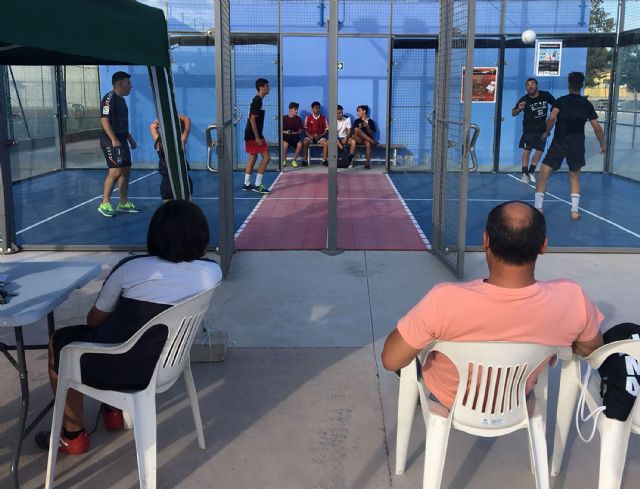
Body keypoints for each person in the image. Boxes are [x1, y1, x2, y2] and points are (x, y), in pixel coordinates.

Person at [35, 200, 222, 454]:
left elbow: (94, 320)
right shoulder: (212, 272)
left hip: (120, 367)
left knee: (62, 341)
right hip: (165, 366)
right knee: (119, 328)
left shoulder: (131, 269)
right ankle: (111, 411)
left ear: (155, 235)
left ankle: (73, 435)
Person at [381, 201, 604, 409]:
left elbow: (391, 359)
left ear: (485, 240)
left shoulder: (444, 299)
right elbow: (592, 350)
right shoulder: (572, 298)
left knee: (413, 349)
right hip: (515, 401)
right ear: (543, 246)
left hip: (450, 399)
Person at [535, 72, 606, 220]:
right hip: (577, 143)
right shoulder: (587, 104)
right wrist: (603, 143)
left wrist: (546, 132)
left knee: (543, 173)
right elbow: (597, 127)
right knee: (574, 176)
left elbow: (552, 117)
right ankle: (574, 211)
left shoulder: (560, 101)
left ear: (569, 84)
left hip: (560, 141)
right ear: (582, 85)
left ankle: (538, 208)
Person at [98, 71, 139, 217]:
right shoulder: (109, 98)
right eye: (129, 83)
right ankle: (104, 204)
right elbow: (104, 120)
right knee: (115, 171)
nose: (131, 86)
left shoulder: (121, 100)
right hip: (110, 141)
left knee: (126, 170)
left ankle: (123, 203)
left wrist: (129, 138)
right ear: (120, 83)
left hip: (122, 140)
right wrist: (113, 139)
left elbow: (121, 123)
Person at [512, 78, 556, 184]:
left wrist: (552, 114)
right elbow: (513, 113)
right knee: (527, 151)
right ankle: (524, 173)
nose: (530, 86)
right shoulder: (524, 99)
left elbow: (556, 105)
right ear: (526, 88)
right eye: (527, 85)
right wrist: (519, 108)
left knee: (539, 151)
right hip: (529, 130)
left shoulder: (545, 95)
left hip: (542, 129)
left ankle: (531, 172)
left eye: (532, 84)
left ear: (537, 86)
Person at [150, 114, 192, 201]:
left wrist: (161, 119)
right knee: (186, 210)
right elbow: (187, 123)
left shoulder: (159, 143)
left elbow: (152, 127)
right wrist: (180, 116)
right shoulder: (180, 142)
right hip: (182, 181)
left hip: (167, 183)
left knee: (169, 211)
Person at [242, 78, 271, 194]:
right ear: (262, 87)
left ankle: (247, 183)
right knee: (266, 157)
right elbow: (252, 118)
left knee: (253, 157)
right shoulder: (257, 100)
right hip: (254, 135)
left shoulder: (258, 100)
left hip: (250, 134)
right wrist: (257, 137)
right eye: (267, 86)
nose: (269, 88)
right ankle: (258, 185)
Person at [301, 101, 328, 166]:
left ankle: (324, 160)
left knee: (325, 143)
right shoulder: (308, 117)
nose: (317, 109)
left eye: (318, 108)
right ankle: (304, 160)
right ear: (312, 109)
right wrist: (310, 136)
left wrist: (319, 136)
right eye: (316, 108)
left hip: (320, 137)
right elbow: (305, 130)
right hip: (310, 137)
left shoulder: (324, 118)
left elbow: (326, 130)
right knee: (304, 142)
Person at [353, 105, 377, 169]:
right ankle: (370, 140)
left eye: (359, 111)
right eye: (357, 111)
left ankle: (367, 164)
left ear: (364, 111)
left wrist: (367, 126)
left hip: (366, 140)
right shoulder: (357, 121)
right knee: (356, 129)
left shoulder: (370, 121)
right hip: (358, 139)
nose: (358, 113)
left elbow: (371, 133)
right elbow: (354, 132)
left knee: (368, 143)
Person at [282, 101, 304, 168]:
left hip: (295, 136)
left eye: (297, 109)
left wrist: (294, 133)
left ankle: (294, 161)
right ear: (290, 109)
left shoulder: (298, 119)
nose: (296, 111)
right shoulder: (284, 118)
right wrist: (286, 132)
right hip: (286, 136)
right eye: (295, 109)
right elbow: (280, 130)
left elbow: (300, 130)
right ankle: (284, 160)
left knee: (300, 144)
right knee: (285, 145)